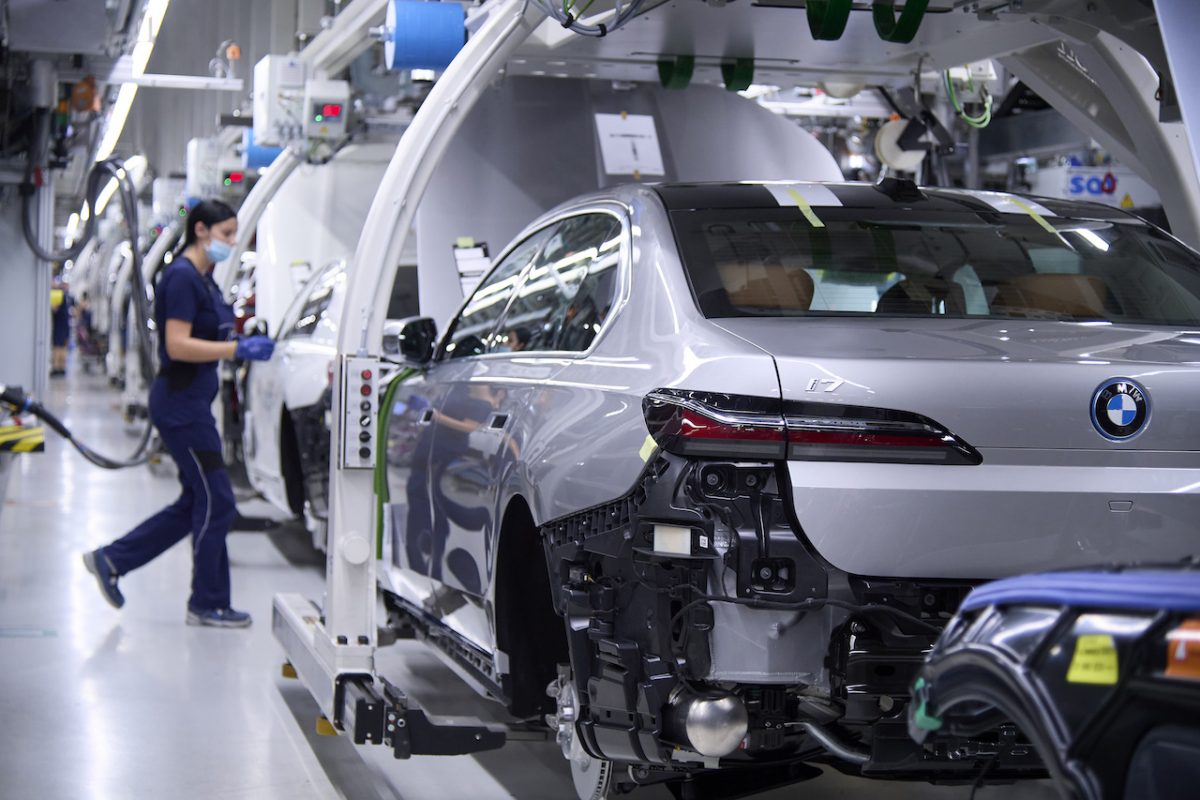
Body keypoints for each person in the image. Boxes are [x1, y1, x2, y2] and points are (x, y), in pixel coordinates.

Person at [82, 200, 275, 628]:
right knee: (218, 501)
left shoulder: (203, 280)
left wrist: (243, 337)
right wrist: (237, 349)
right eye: (226, 234)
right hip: (181, 407)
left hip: (190, 403)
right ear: (201, 230)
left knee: (196, 501)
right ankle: (207, 602)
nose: (231, 242)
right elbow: (177, 345)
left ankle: (111, 559)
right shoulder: (183, 278)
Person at [50, 278, 72, 376]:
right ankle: (61, 368)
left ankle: (56, 368)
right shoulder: (65, 294)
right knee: (62, 346)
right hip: (64, 324)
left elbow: (54, 309)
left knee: (57, 347)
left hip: (59, 325)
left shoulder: (57, 293)